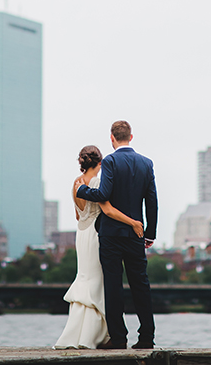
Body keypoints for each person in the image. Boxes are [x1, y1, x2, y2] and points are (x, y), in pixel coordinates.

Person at [75, 120, 158, 350]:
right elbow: (152, 201)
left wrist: (82, 190)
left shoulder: (110, 161)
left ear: (112, 138)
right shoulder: (146, 164)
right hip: (136, 234)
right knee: (141, 285)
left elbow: (103, 193)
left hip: (111, 234)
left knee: (113, 286)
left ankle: (119, 338)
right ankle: (147, 338)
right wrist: (149, 234)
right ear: (131, 137)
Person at [55, 145, 143, 350]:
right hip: (96, 234)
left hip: (81, 234)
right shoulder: (96, 182)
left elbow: (78, 215)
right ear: (101, 163)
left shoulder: (76, 183)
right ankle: (96, 334)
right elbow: (108, 210)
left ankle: (77, 333)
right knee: (98, 282)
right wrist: (133, 223)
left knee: (84, 278)